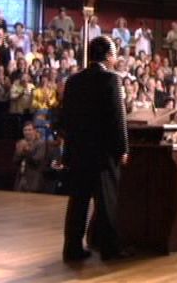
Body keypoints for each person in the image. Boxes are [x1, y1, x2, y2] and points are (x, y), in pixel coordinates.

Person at [62, 36, 130, 262]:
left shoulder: (73, 81)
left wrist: (69, 150)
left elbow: (65, 119)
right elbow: (117, 118)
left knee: (78, 202)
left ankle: (72, 248)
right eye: (114, 54)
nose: (116, 58)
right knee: (107, 201)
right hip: (103, 152)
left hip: (79, 151)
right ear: (109, 56)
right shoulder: (111, 80)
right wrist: (123, 148)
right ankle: (110, 249)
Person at [13, 121, 48, 193]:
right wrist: (19, 152)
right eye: (25, 130)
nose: (27, 132)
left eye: (29, 130)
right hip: (21, 179)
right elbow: (15, 161)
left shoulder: (40, 143)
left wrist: (26, 151)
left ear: (34, 131)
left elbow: (36, 162)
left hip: (33, 181)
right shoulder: (21, 142)